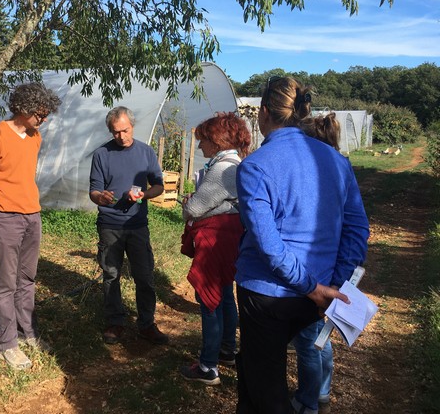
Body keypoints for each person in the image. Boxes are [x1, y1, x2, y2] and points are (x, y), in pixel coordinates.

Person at [234, 77, 369, 414]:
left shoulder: (254, 166)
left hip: (267, 297)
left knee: (268, 392)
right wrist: (334, 285)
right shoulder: (337, 161)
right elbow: (356, 228)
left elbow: (269, 246)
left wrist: (313, 287)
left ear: (264, 112)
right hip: (317, 295)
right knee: (253, 376)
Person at [0, 82, 61, 370]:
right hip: (5, 217)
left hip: (32, 215)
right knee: (5, 283)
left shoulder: (35, 136)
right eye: (40, 113)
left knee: (27, 279)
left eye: (46, 114)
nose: (43, 119)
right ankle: (6, 343)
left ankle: (28, 332)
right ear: (23, 108)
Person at [179, 112, 251, 386]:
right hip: (229, 239)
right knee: (223, 294)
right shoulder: (236, 163)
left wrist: (189, 203)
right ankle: (227, 349)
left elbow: (194, 208)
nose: (200, 147)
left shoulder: (221, 169)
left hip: (215, 242)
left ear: (217, 141)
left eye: (203, 141)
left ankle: (208, 366)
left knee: (209, 300)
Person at [89, 106, 169, 346]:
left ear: (132, 126)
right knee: (111, 274)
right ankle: (115, 321)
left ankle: (146, 323)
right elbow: (93, 189)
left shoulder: (145, 152)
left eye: (125, 130)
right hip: (110, 225)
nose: (121, 136)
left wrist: (143, 195)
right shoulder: (101, 154)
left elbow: (159, 186)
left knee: (144, 276)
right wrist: (100, 197)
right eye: (115, 132)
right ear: (109, 131)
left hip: (137, 224)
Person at [291, 112, 342, 414]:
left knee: (308, 340)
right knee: (320, 334)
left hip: (312, 265)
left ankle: (306, 402)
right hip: (331, 264)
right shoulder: (338, 166)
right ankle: (321, 393)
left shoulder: (317, 171)